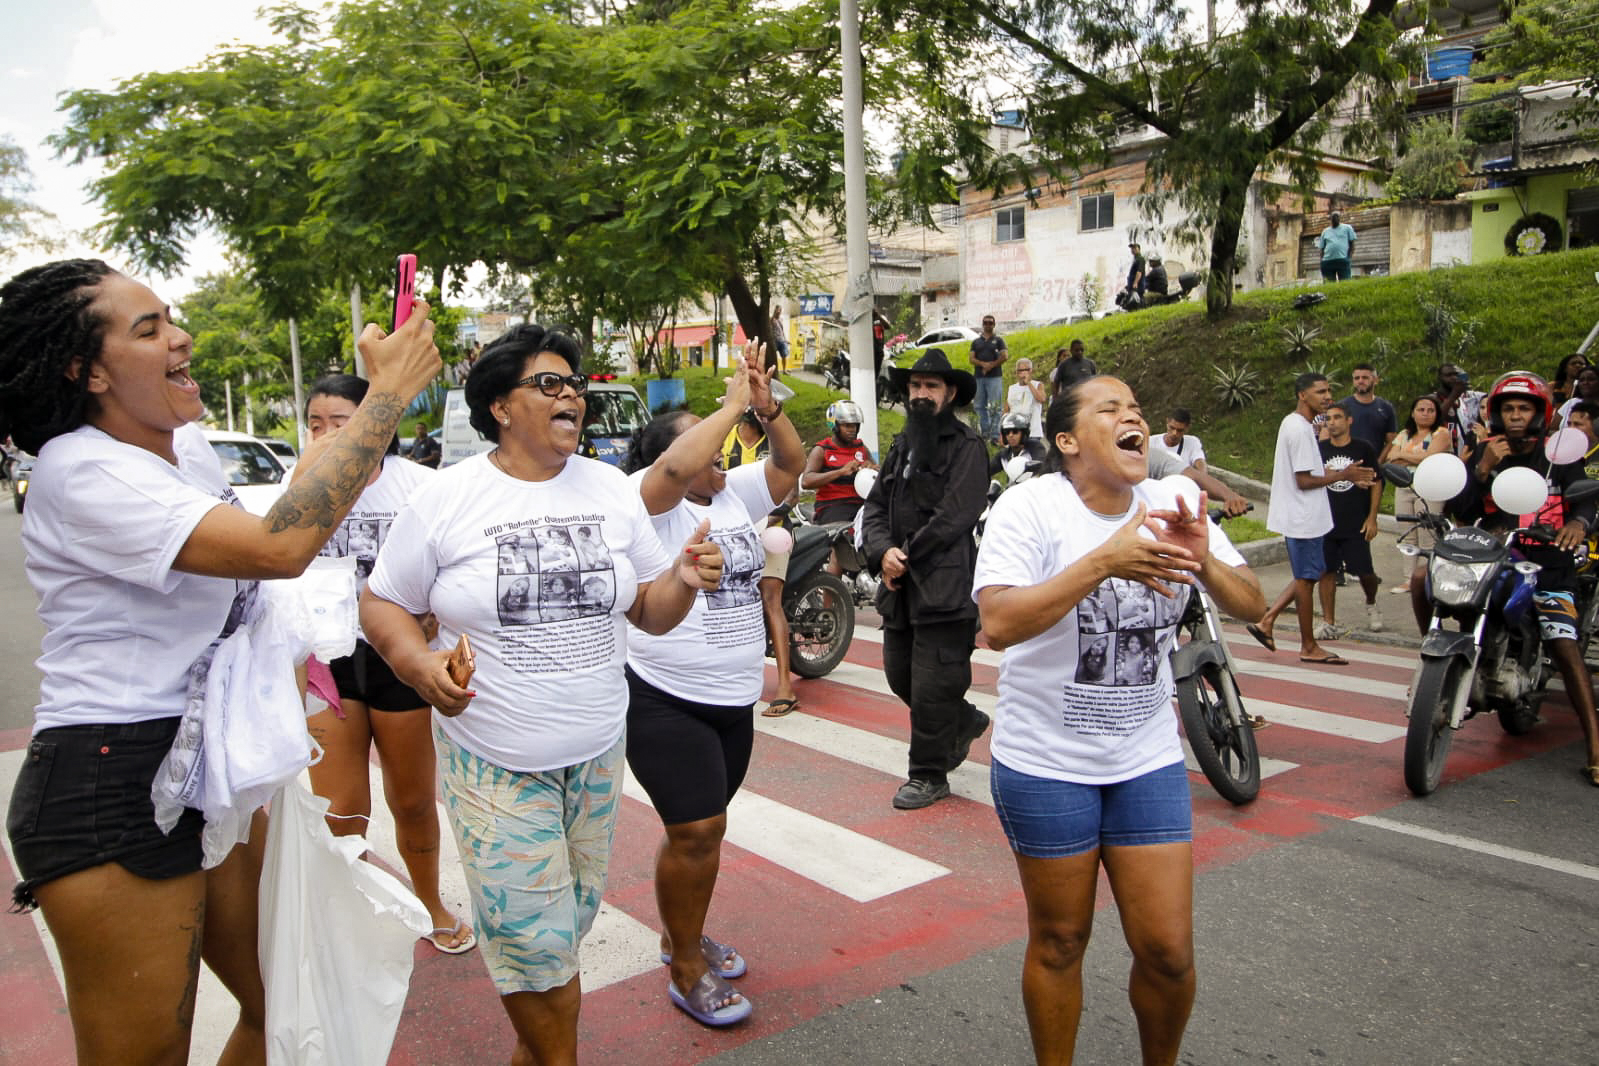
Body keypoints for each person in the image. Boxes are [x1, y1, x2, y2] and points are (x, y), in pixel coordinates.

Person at [0, 257, 439, 1065]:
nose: (181, 338)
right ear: (87, 371)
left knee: (286, 1006)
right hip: (112, 777)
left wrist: (370, 405)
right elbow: (278, 548)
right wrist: (386, 396)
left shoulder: (184, 450)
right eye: (149, 329)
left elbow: (290, 507)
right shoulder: (80, 467)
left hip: (208, 765)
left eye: (171, 319)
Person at [360, 323, 724, 1066]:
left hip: (595, 754)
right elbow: (383, 601)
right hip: (494, 759)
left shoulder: (609, 490)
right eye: (548, 384)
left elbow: (649, 610)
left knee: (567, 926)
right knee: (534, 941)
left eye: (575, 384)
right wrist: (418, 664)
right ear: (499, 406)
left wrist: (685, 578)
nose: (572, 396)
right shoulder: (447, 497)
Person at [974, 374, 1265, 1066]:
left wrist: (1202, 559)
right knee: (1060, 940)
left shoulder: (1173, 500)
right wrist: (1104, 561)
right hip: (1046, 764)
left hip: (1145, 759)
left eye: (1135, 408)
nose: (1132, 417)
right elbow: (998, 624)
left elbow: (1252, 603)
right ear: (1068, 440)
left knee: (1168, 951)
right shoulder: (1030, 506)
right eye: (1110, 409)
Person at [622, 352, 804, 1027]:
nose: (722, 446)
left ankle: (683, 935)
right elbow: (674, 471)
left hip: (734, 701)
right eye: (706, 438)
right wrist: (730, 406)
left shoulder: (733, 493)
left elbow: (789, 463)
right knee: (699, 829)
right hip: (665, 697)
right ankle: (685, 966)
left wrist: (766, 407)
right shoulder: (647, 501)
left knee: (695, 832)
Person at [298, 375, 470, 954]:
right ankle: (351, 914)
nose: (326, 435)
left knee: (413, 800)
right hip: (328, 660)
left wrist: (433, 617)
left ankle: (429, 902)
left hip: (398, 658)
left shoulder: (422, 486)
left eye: (340, 423)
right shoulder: (304, 483)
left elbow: (456, 563)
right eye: (315, 425)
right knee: (341, 807)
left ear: (377, 424)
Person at [1427, 371, 1599, 787]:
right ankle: (1444, 667)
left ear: (1539, 413)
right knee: (1423, 584)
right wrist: (1482, 468)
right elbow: (1463, 510)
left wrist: (1578, 523)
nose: (1516, 415)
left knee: (1563, 643)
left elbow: (1587, 498)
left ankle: (1595, 748)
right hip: (1493, 562)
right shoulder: (1485, 451)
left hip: (1550, 567)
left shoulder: (1558, 455)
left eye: (1524, 408)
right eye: (1509, 408)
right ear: (1496, 413)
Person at [861, 349, 990, 809]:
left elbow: (955, 514)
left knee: (935, 685)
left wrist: (906, 556)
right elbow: (876, 506)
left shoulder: (968, 447)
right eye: (915, 385)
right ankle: (963, 720)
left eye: (931, 386)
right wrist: (882, 552)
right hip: (899, 589)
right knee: (901, 676)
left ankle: (928, 775)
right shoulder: (903, 445)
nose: (921, 393)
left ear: (949, 393)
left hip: (945, 589)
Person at [1247, 372, 1375, 665]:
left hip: (1305, 517)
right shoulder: (1300, 430)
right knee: (1306, 581)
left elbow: (1310, 473)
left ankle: (1267, 621)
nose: (1327, 397)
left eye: (1328, 391)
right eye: (1320, 392)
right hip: (1303, 518)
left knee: (1309, 574)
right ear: (1302, 395)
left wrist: (1345, 474)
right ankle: (1308, 646)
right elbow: (1304, 480)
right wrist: (1344, 475)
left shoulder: (1297, 424)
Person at [721, 409, 802, 719]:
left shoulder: (776, 441)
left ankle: (785, 687)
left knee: (771, 599)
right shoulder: (724, 440)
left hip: (772, 530)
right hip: (730, 531)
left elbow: (792, 493)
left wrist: (767, 517)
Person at [1315, 405, 1384, 636]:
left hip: (1355, 521)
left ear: (1349, 420)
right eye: (1328, 418)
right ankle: (1328, 621)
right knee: (1326, 571)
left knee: (1365, 572)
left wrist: (1372, 518)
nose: (1332, 422)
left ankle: (1371, 602)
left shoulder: (1363, 448)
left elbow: (1376, 482)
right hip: (1326, 521)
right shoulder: (1319, 449)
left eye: (1337, 417)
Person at [802, 400, 878, 526]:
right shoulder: (822, 450)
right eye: (847, 425)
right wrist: (840, 472)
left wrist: (872, 469)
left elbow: (878, 474)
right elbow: (806, 481)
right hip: (833, 505)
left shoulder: (861, 447)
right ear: (835, 426)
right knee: (845, 533)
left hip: (863, 505)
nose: (852, 429)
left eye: (855, 425)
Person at [1337, 363, 1397, 454]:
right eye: (1357, 378)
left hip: (1375, 460)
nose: (1360, 381)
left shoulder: (1386, 407)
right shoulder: (1341, 406)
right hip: (1345, 459)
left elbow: (1391, 441)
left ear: (1376, 380)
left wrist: (1379, 461)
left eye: (1365, 378)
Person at [969, 314, 1008, 443]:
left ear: (994, 325)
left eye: (990, 323)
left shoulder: (999, 340)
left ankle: (995, 436)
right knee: (979, 405)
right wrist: (983, 364)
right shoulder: (976, 342)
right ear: (982, 324)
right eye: (985, 322)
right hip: (979, 377)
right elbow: (971, 358)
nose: (988, 325)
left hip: (994, 377)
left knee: (995, 406)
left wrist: (991, 365)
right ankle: (985, 433)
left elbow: (1005, 356)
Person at [1435, 363, 1485, 456]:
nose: (1454, 378)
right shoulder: (1433, 399)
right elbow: (1436, 418)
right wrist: (1454, 394)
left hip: (1461, 452)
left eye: (1456, 375)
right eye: (1449, 375)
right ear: (1440, 378)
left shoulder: (1464, 400)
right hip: (1442, 454)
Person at [991, 413, 1045, 480]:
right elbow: (986, 470)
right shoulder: (1004, 456)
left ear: (1024, 433)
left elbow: (1041, 466)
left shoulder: (1035, 447)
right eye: (1007, 432)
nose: (1010, 435)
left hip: (1033, 485)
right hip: (1013, 486)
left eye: (1015, 431)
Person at [1004, 357, 1046, 439]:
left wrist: (1028, 383)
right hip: (1015, 433)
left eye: (1027, 370)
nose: (1024, 373)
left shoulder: (1038, 385)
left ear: (1031, 371)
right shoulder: (1012, 388)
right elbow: (1006, 411)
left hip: (1033, 433)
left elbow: (1042, 399)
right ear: (1016, 372)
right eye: (1021, 370)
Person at [1316, 210, 1357, 281]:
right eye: (1333, 217)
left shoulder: (1347, 228)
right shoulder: (1325, 231)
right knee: (1329, 283)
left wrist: (1349, 257)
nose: (1335, 218)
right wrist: (1322, 261)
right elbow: (1322, 248)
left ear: (1340, 218)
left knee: (1345, 282)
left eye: (1337, 216)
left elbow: (1352, 244)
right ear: (1330, 219)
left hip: (1342, 259)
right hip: (1328, 261)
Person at [769, 304, 790, 374]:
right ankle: (774, 370)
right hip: (775, 340)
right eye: (778, 310)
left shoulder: (781, 319)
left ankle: (784, 370)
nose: (779, 311)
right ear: (775, 310)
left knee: (784, 355)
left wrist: (785, 339)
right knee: (773, 356)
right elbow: (770, 329)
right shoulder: (771, 319)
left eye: (780, 310)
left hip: (782, 340)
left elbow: (782, 331)